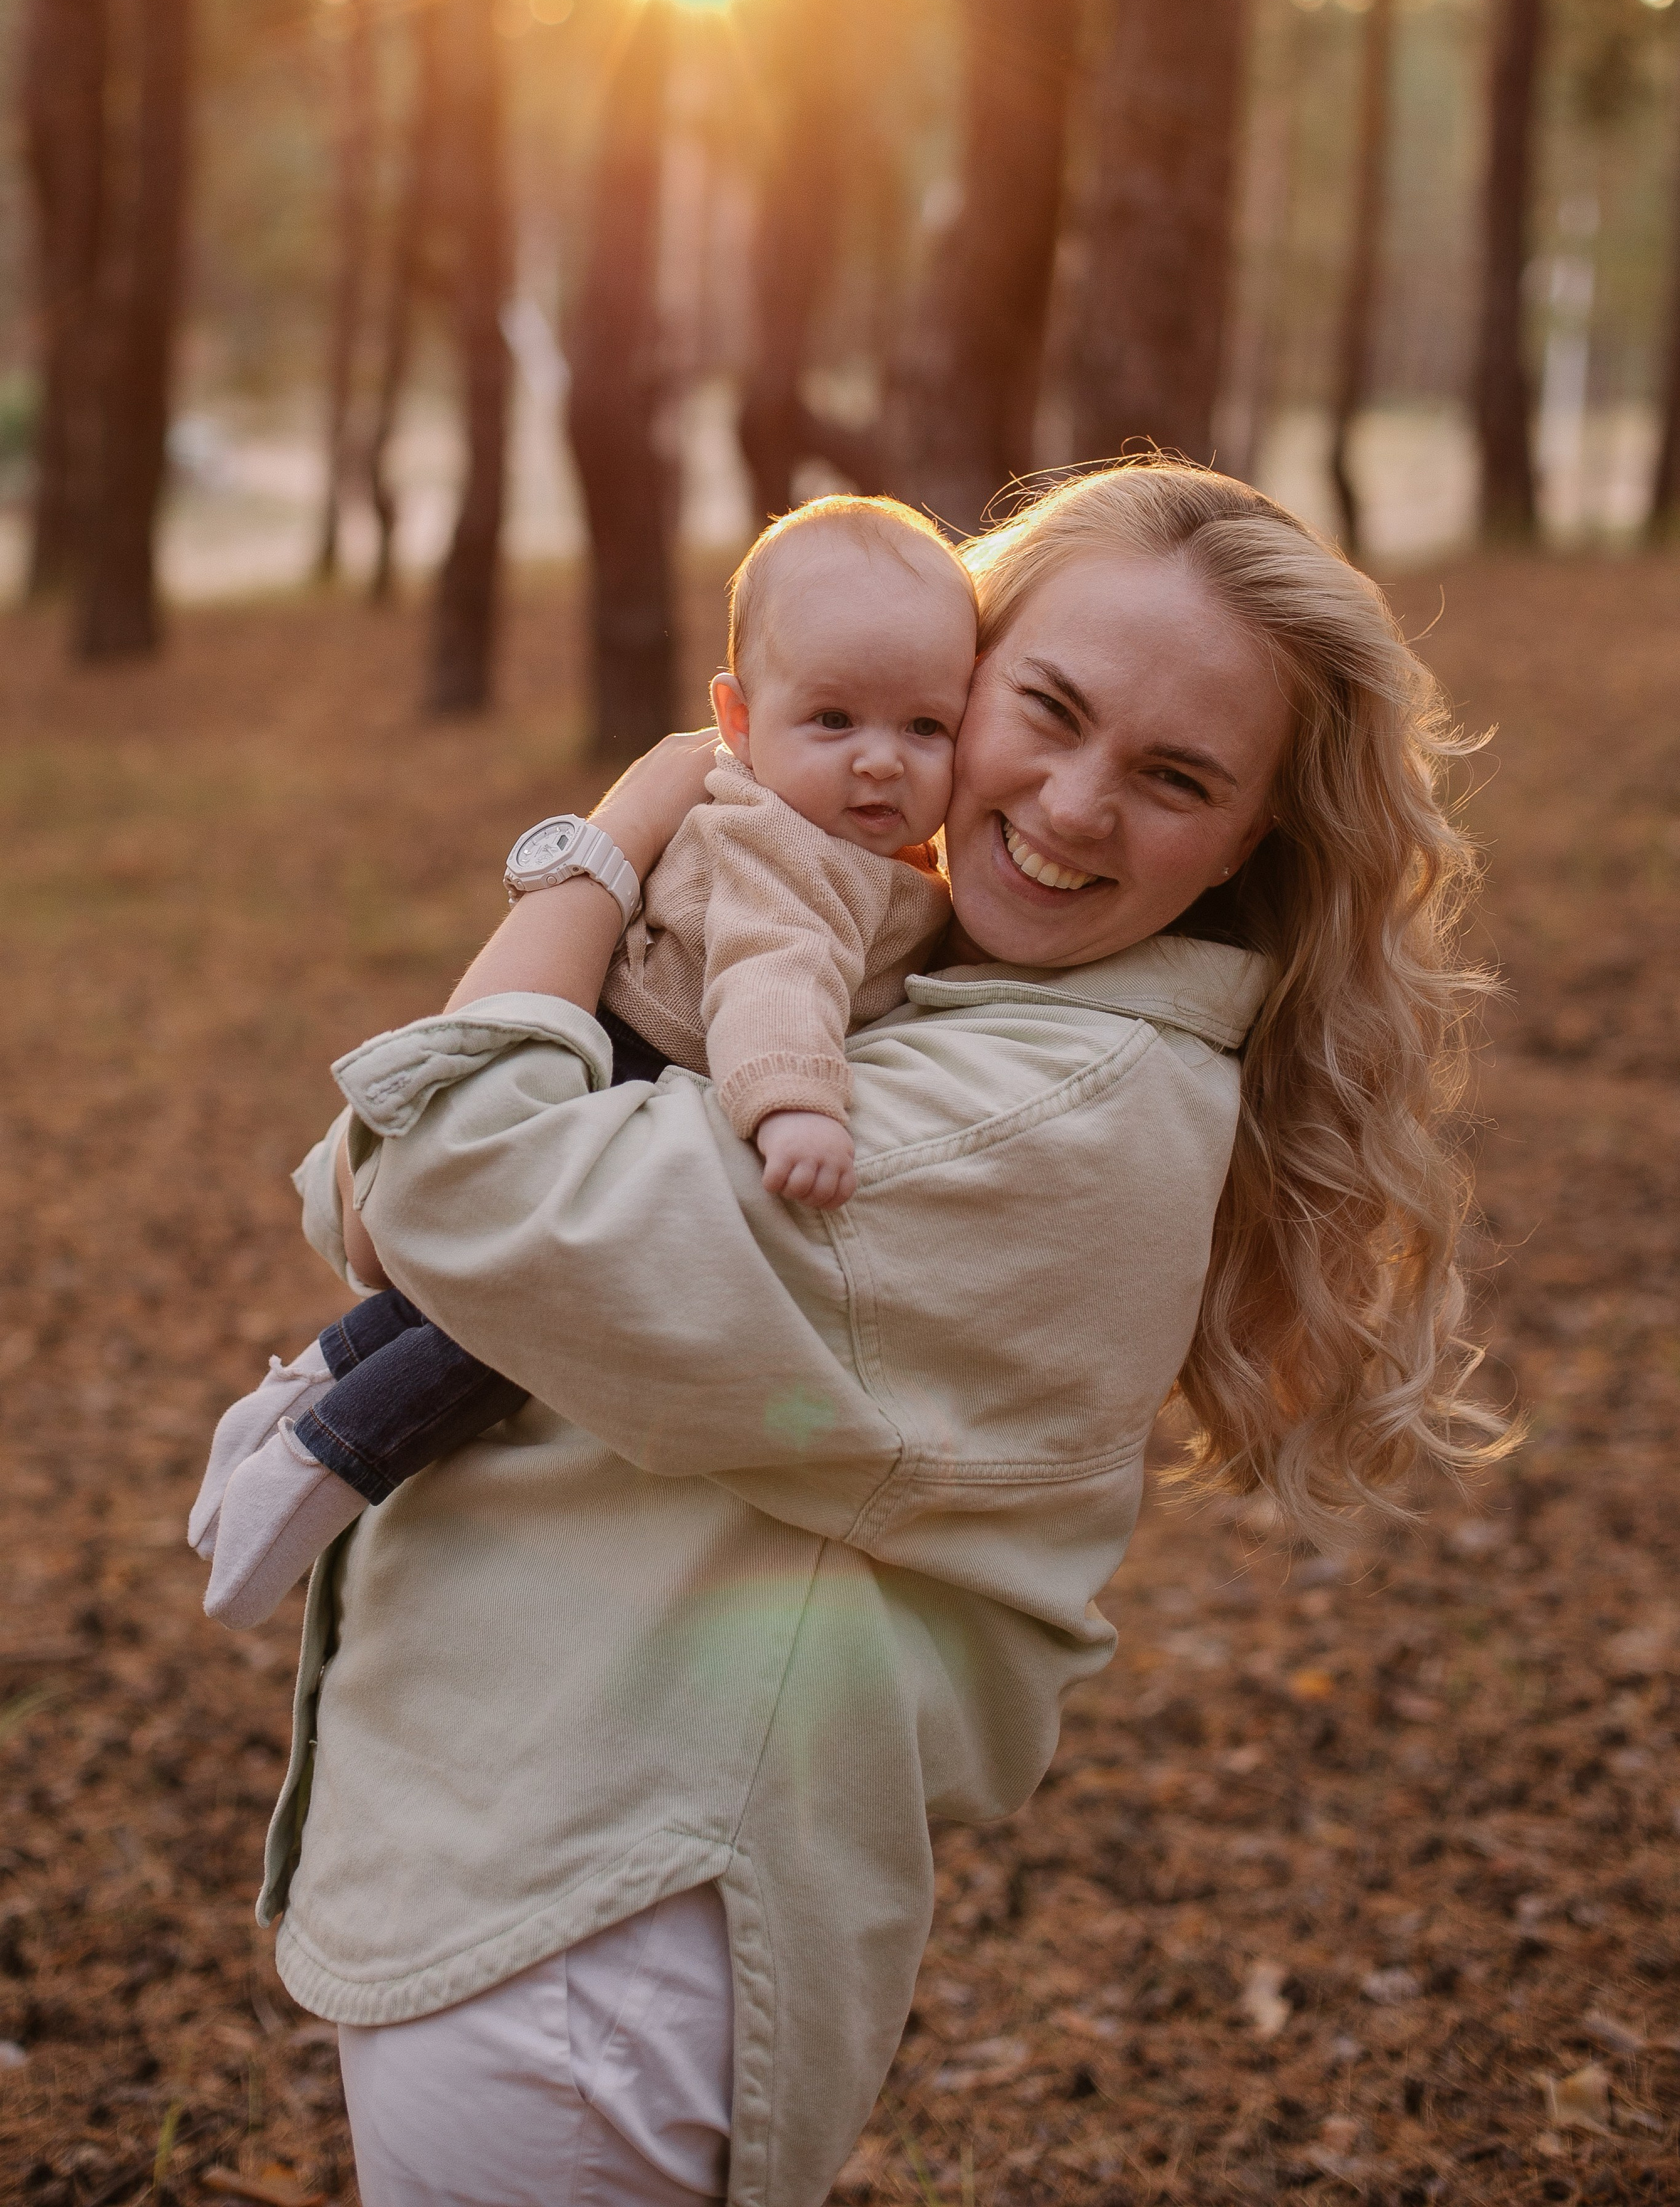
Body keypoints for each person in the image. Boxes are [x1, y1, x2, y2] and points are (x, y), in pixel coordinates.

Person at [245, 464, 1500, 2207]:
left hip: (602, 1943)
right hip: (560, 1894)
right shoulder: (914, 985)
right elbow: (380, 1186)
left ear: (1250, 841)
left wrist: (611, 839)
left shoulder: (1028, 1117)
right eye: (1044, 707)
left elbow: (435, 1171)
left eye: (1177, 776)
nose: (1068, 804)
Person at [191, 498, 976, 1628]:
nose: (878, 763)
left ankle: (307, 1388)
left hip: (622, 1053)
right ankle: (329, 1456)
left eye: (924, 730)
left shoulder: (846, 844)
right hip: (636, 1064)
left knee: (448, 1292)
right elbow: (774, 972)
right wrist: (795, 1102)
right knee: (518, 1320)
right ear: (739, 720)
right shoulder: (793, 851)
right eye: (836, 718)